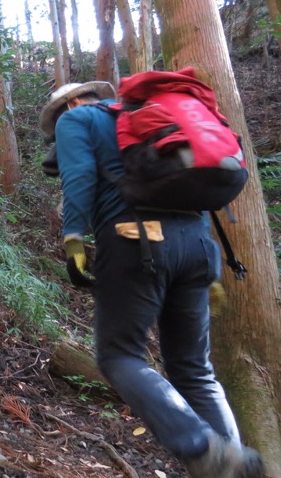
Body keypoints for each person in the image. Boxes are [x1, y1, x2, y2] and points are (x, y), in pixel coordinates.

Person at [39, 81, 265, 478]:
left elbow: (78, 177)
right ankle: (231, 461)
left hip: (135, 239)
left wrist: (73, 236)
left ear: (72, 102)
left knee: (119, 356)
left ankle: (200, 446)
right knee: (195, 369)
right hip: (198, 246)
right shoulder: (149, 118)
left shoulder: (77, 118)